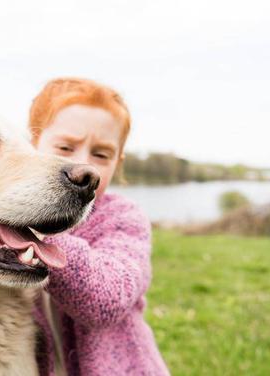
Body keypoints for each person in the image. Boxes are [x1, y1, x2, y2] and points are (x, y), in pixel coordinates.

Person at [29, 78, 169, 375]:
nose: (84, 165)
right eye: (65, 147)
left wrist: (36, 234)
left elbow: (105, 299)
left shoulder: (123, 217)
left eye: (101, 154)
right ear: (32, 145)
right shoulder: (7, 216)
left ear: (117, 162)